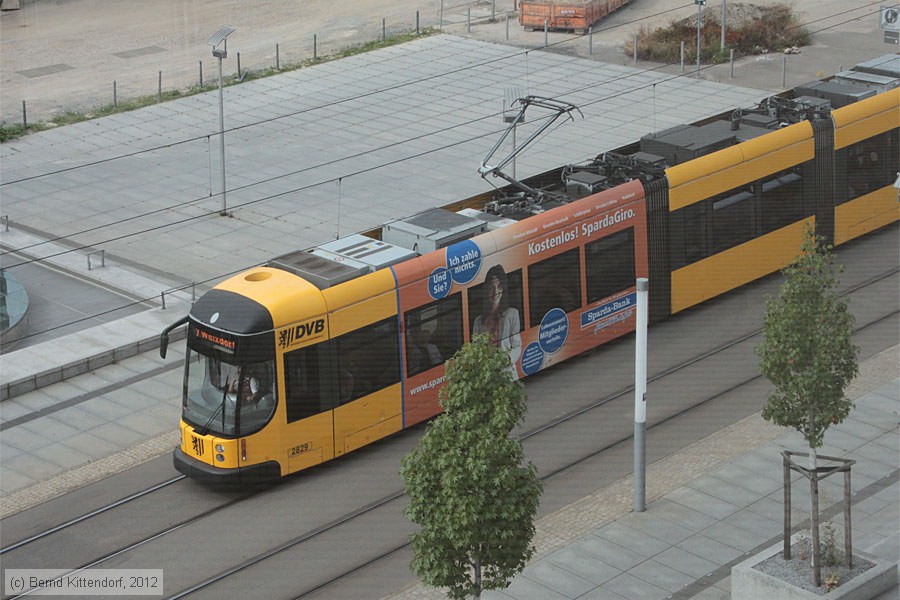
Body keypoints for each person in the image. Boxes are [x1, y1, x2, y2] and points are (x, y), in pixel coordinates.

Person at [472, 264, 522, 380]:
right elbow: (475, 351)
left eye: (499, 287)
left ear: (503, 289)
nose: (495, 292)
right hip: (487, 378)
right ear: (486, 290)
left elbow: (517, 346)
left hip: (507, 375)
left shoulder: (512, 314)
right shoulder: (478, 322)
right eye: (491, 288)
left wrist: (507, 359)